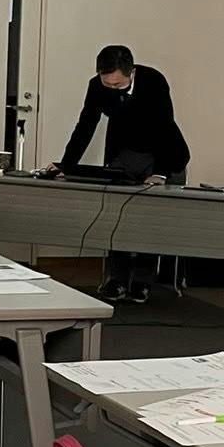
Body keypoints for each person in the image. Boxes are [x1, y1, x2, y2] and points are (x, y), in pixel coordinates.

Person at [51, 45, 190, 303]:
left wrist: (160, 173)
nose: (112, 89)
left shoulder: (153, 81)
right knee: (117, 214)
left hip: (164, 154)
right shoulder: (97, 86)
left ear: (132, 72)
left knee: (148, 220)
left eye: (118, 85)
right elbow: (86, 124)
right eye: (108, 84)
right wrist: (66, 165)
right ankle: (116, 280)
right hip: (125, 153)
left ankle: (142, 282)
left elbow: (163, 127)